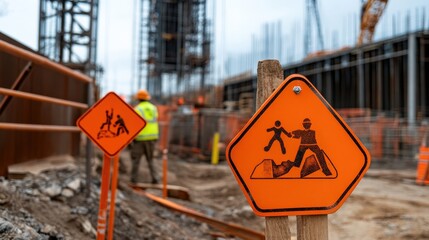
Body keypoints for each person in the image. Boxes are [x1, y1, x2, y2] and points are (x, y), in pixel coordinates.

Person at [130, 89, 160, 184]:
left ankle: (133, 180)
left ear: (138, 99)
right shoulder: (154, 108)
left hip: (140, 138)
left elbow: (134, 124)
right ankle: (155, 178)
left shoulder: (137, 109)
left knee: (136, 160)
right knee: (151, 159)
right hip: (152, 138)